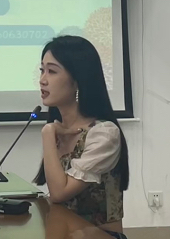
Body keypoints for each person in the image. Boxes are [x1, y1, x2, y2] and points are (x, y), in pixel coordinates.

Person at [34, 35, 129, 239]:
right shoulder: (60, 129)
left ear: (77, 81)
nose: (42, 80)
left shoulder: (103, 134)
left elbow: (59, 193)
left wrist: (47, 133)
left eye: (52, 71)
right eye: (42, 70)